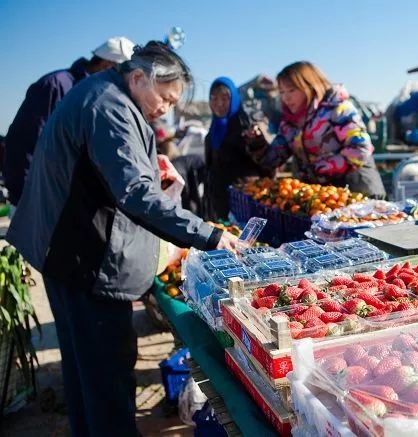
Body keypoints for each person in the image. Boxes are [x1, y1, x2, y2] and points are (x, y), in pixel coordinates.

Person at [6, 41, 236, 437]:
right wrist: (208, 234)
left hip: (67, 256)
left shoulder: (102, 94)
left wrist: (149, 164)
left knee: (85, 376)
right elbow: (136, 195)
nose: (165, 109)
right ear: (138, 77)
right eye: (164, 97)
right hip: (85, 263)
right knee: (107, 383)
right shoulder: (110, 107)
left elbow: (109, 172)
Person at [3, 36, 135, 206]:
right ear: (107, 66)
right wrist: (27, 197)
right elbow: (25, 144)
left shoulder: (100, 95)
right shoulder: (56, 85)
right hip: (38, 202)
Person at [246, 61, 385, 197]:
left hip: (359, 194)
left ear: (309, 86)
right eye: (282, 92)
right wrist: (256, 142)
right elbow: (272, 160)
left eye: (292, 90)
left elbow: (360, 149)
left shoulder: (337, 108)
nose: (286, 97)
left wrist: (319, 169)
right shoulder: (290, 123)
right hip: (325, 199)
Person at [205, 77, 274, 220]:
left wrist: (256, 140)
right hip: (220, 202)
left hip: (246, 203)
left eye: (225, 98)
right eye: (214, 98)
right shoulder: (213, 131)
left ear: (234, 100)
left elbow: (267, 163)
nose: (219, 104)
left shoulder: (247, 127)